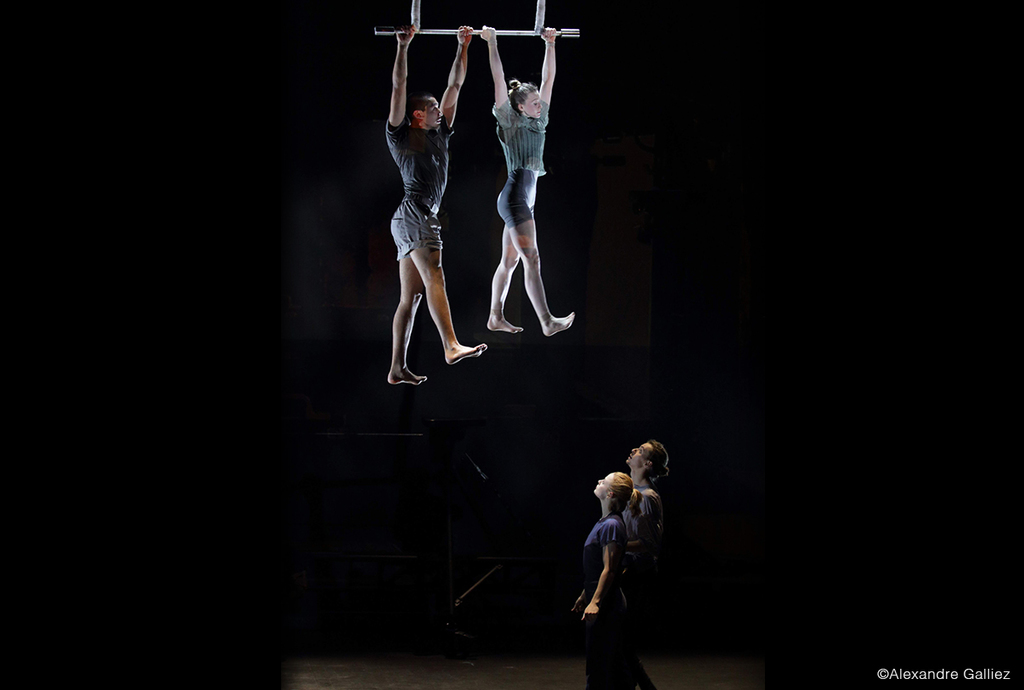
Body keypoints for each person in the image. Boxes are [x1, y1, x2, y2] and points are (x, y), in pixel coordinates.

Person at [386, 25, 487, 385]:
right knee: (434, 275)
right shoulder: (402, 135)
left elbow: (454, 85)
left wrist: (463, 46)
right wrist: (403, 47)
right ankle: (450, 344)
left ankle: (397, 368)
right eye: (431, 108)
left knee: (411, 297)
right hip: (415, 212)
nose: (438, 111)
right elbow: (399, 85)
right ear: (417, 115)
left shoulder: (441, 134)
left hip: (409, 218)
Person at [479, 26, 574, 336]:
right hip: (516, 196)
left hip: (523, 199)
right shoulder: (509, 122)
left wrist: (550, 44)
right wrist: (492, 43)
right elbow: (498, 79)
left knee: (510, 263)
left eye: (538, 102)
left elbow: (549, 80)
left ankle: (495, 317)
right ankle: (546, 321)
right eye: (533, 103)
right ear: (519, 106)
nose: (539, 105)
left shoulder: (540, 121)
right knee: (531, 258)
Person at [572, 472, 639, 690]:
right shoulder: (604, 523)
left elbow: (610, 570)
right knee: (610, 665)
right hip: (603, 602)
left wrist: (596, 601)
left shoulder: (612, 525)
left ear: (610, 494)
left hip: (608, 606)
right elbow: (598, 568)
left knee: (601, 667)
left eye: (604, 481)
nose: (598, 481)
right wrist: (586, 594)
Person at [621, 440, 670, 690]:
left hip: (638, 575)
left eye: (640, 451)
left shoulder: (647, 497)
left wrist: (616, 544)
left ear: (648, 463)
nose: (633, 450)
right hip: (626, 570)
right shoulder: (630, 491)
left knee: (623, 641)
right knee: (619, 641)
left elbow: (649, 545)